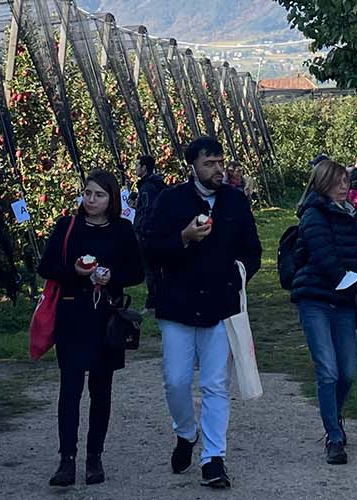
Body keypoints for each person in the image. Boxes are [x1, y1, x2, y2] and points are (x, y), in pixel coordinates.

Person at [144, 136, 262, 489]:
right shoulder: (171, 200)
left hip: (220, 304)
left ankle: (214, 458)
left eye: (220, 162)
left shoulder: (234, 201)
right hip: (177, 304)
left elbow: (252, 249)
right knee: (176, 381)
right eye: (209, 163)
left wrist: (237, 275)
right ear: (192, 166)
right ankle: (186, 432)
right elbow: (150, 247)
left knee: (215, 384)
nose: (217, 169)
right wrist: (183, 237)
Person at [38, 170, 145, 487]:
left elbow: (137, 271)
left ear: (111, 199)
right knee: (70, 389)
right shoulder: (68, 226)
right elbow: (46, 266)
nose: (91, 200)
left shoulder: (122, 230)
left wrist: (112, 276)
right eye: (87, 193)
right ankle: (66, 459)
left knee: (101, 389)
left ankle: (94, 456)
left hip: (106, 317)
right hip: (72, 313)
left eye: (99, 195)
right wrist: (74, 271)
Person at [292, 158, 357, 465]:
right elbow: (326, 259)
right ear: (323, 183)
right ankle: (334, 437)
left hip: (343, 301)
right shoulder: (313, 214)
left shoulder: (349, 214)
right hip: (315, 298)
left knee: (347, 370)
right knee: (328, 369)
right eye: (337, 182)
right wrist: (355, 290)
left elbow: (352, 259)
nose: (343, 186)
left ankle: (334, 415)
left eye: (345, 181)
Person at [133, 155, 168, 311]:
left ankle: (153, 302)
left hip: (147, 233)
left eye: (137, 165)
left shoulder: (147, 187)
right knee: (157, 268)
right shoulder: (157, 184)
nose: (135, 168)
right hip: (158, 231)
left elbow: (147, 210)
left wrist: (141, 228)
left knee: (150, 269)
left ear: (144, 168)